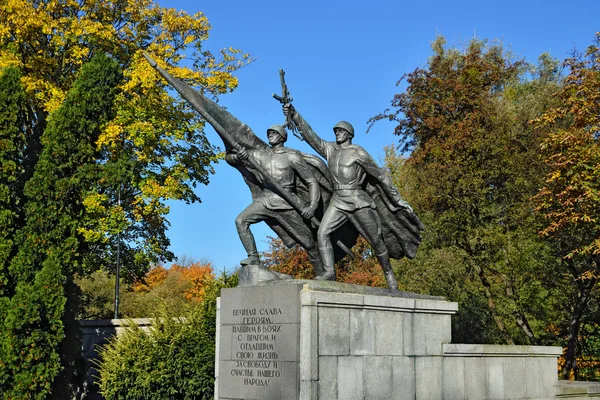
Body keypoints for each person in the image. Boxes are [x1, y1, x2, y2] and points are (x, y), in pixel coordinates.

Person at [283, 104, 416, 290]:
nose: (337, 133)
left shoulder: (358, 152)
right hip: (338, 201)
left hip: (358, 201)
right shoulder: (330, 150)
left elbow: (380, 175)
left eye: (341, 130)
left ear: (349, 134)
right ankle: (329, 273)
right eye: (336, 130)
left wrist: (397, 200)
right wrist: (294, 115)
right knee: (322, 233)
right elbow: (311, 137)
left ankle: (389, 275)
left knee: (376, 241)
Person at [226, 124, 327, 276]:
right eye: (269, 133)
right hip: (266, 199)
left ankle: (322, 275)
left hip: (287, 203)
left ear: (282, 137)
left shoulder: (292, 156)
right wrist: (238, 157)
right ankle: (253, 257)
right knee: (241, 221)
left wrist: (312, 206)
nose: (270, 135)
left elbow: (311, 181)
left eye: (274, 133)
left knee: (308, 243)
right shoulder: (260, 155)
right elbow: (229, 159)